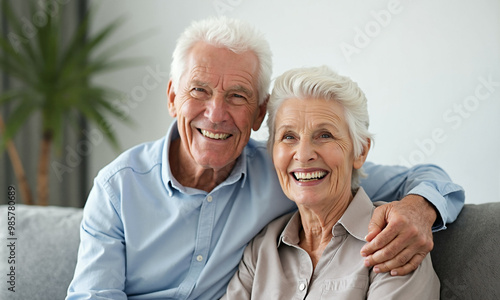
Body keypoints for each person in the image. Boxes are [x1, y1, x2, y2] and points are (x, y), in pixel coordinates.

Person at [66, 17, 463, 299]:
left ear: (258, 114)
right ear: (172, 97)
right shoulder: (117, 188)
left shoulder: (293, 171)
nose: (216, 113)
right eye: (199, 90)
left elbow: (427, 177)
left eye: (237, 95)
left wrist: (418, 208)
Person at [222, 66, 440, 299]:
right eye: (288, 137)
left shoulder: (395, 241)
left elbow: (430, 177)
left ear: (360, 152)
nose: (303, 154)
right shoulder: (262, 248)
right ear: (272, 152)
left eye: (325, 135)